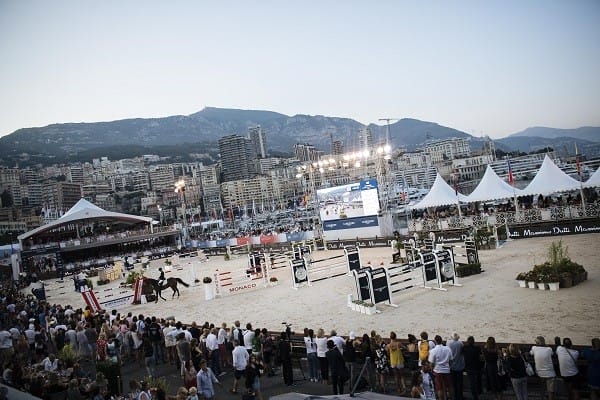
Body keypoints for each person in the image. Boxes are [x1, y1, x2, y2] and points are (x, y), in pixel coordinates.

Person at [530, 336, 556, 400]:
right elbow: (552, 354)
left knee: (542, 388)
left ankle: (543, 397)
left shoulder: (534, 348)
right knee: (550, 390)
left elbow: (531, 353)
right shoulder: (549, 349)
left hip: (540, 373)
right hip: (550, 373)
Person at [429, 334, 454, 400]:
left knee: (439, 388)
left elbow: (431, 363)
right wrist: (448, 366)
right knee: (449, 387)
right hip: (447, 370)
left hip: (437, 371)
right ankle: (451, 398)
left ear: (435, 341)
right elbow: (451, 360)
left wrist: (432, 370)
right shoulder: (448, 349)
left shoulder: (433, 351)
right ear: (441, 340)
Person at [447, 332, 465, 400]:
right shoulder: (460, 343)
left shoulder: (449, 343)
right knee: (460, 383)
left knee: (453, 383)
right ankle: (460, 396)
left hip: (452, 366)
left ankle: (454, 396)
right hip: (460, 366)